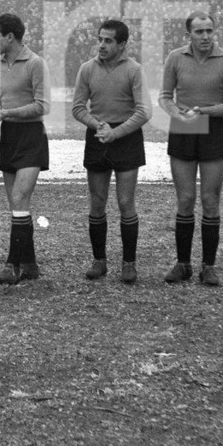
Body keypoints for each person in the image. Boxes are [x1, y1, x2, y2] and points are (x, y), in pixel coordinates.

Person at [158, 12, 223, 286]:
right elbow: (165, 97)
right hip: (185, 127)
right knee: (185, 199)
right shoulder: (175, 57)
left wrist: (202, 111)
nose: (205, 36)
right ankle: (183, 264)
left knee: (210, 200)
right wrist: (178, 114)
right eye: (199, 32)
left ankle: (209, 266)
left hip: (213, 129)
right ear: (189, 35)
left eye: (209, 31)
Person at [71, 19, 152, 284]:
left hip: (126, 137)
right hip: (98, 136)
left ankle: (129, 264)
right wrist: (98, 126)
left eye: (108, 41)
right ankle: (99, 261)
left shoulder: (134, 70)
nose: (102, 45)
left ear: (122, 44)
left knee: (126, 203)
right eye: (100, 39)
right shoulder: (87, 69)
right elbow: (78, 107)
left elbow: (143, 112)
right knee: (97, 202)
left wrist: (115, 133)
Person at [0, 13, 51, 285]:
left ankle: (12, 265)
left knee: (20, 198)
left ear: (9, 36)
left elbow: (42, 105)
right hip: (9, 136)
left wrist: (5, 112)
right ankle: (30, 263)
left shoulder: (36, 63)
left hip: (31, 136)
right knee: (16, 205)